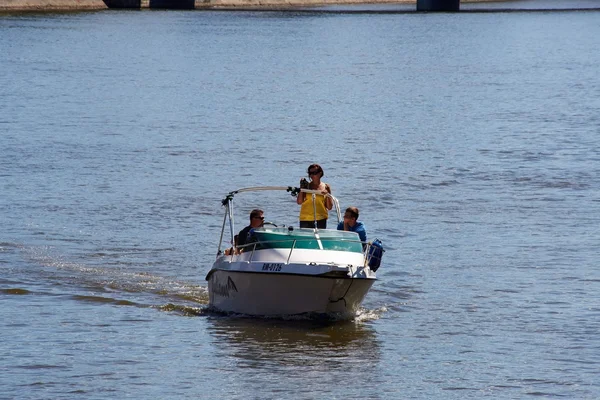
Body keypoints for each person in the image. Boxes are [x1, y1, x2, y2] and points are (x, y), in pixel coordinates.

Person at [297, 163, 333, 229]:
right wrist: (302, 188)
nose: (312, 175)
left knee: (319, 238)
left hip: (321, 218)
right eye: (310, 173)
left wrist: (327, 194)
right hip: (306, 218)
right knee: (306, 238)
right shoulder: (306, 186)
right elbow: (299, 202)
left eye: (314, 173)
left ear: (320, 173)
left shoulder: (326, 186)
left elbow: (329, 207)